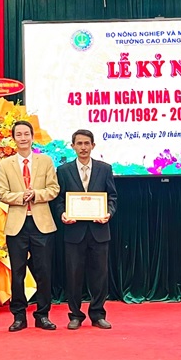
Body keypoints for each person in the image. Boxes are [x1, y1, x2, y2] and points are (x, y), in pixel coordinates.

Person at [0, 120, 59, 331]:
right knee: (18, 273)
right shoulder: (5, 164)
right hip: (17, 225)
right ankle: (19, 316)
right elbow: (1, 192)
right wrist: (21, 197)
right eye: (19, 134)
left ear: (32, 137)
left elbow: (54, 189)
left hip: (42, 224)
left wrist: (36, 194)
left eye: (26, 134)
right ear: (13, 138)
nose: (23, 138)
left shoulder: (46, 161)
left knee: (44, 272)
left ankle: (43, 315)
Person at [56, 129, 117, 330]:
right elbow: (59, 199)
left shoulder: (105, 169)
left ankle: (98, 314)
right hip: (74, 232)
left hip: (99, 231)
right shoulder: (63, 170)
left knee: (99, 276)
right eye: (79, 144)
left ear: (93, 145)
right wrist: (62, 214)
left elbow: (112, 197)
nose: (83, 147)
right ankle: (75, 315)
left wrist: (108, 213)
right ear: (72, 146)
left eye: (87, 143)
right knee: (73, 275)